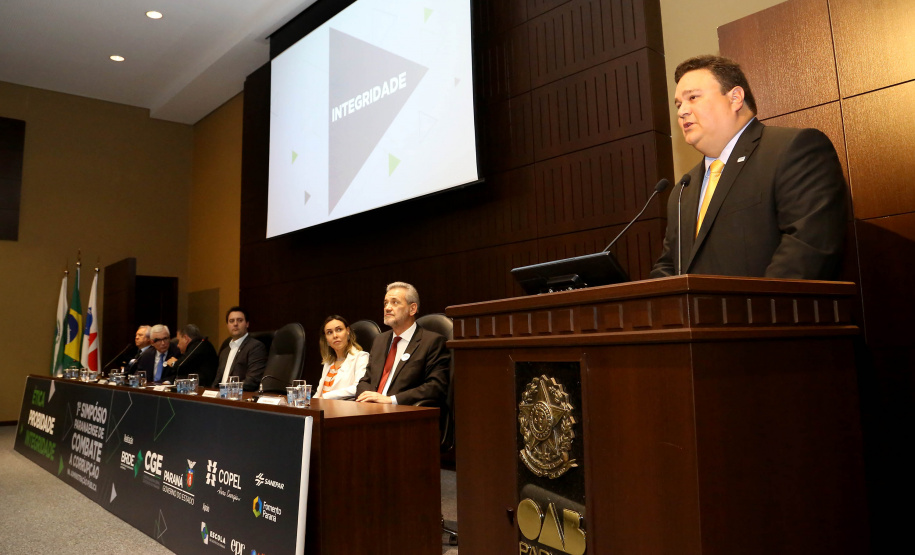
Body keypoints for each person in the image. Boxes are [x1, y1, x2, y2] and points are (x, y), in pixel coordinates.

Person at [650, 55, 846, 280]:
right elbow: (669, 265)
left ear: (735, 98)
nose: (682, 111)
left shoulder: (792, 150)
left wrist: (758, 310)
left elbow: (809, 245)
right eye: (678, 104)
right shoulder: (683, 189)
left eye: (692, 97)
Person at [356, 282, 449, 406]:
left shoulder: (432, 342)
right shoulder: (380, 340)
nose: (387, 307)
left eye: (395, 302)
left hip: (403, 413)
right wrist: (367, 397)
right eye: (385, 303)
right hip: (371, 410)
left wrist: (391, 400)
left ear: (412, 309)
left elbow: (435, 386)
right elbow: (366, 380)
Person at [314, 315, 369, 400]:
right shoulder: (328, 363)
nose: (335, 335)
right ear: (326, 339)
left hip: (345, 410)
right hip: (323, 408)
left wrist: (325, 397)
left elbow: (358, 388)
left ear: (347, 331)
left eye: (339, 330)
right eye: (329, 332)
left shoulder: (361, 357)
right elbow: (318, 394)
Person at [213, 306, 267, 391]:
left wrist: (227, 391)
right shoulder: (225, 351)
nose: (235, 324)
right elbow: (217, 380)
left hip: (238, 397)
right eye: (231, 321)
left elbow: (252, 381)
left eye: (240, 320)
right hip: (221, 397)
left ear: (247, 324)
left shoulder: (256, 347)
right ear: (227, 325)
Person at [166, 324, 218, 388]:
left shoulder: (199, 345)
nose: (178, 345)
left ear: (186, 338)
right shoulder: (196, 345)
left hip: (205, 388)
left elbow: (180, 366)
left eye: (178, 341)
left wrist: (174, 363)